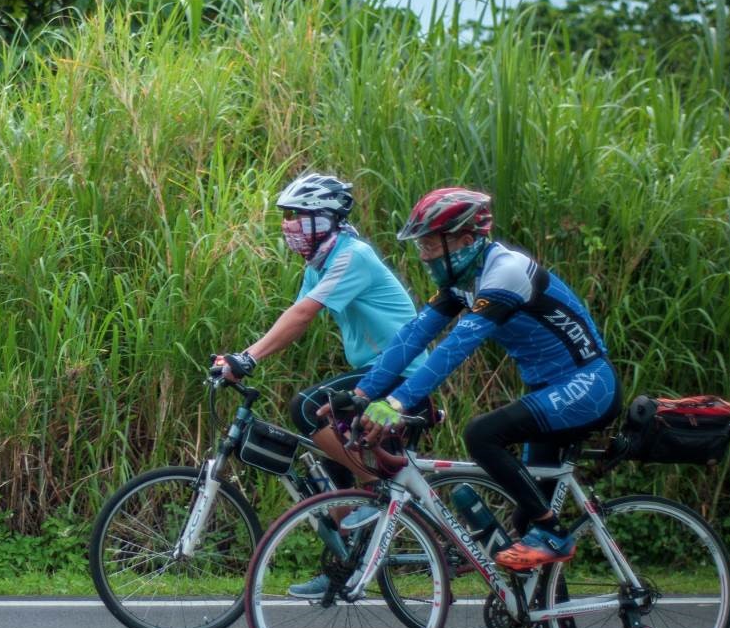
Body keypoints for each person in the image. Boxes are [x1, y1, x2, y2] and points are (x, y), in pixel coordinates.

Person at [350, 187, 621, 577]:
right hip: (549, 391)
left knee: (481, 434)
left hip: (588, 385)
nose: (423, 255)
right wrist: (361, 394)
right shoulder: (465, 279)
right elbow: (414, 336)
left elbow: (456, 347)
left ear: (465, 240)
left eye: (429, 244)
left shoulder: (506, 272)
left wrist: (397, 402)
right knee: (525, 530)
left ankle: (555, 533)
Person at [214, 172, 432, 598]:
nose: (289, 225)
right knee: (332, 468)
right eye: (288, 216)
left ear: (327, 220)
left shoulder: (353, 257)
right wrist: (241, 355)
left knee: (308, 407)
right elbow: (294, 314)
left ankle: (376, 486)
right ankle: (342, 570)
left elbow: (304, 315)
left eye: (299, 216)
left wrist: (249, 358)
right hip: (377, 373)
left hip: (400, 375)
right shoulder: (322, 262)